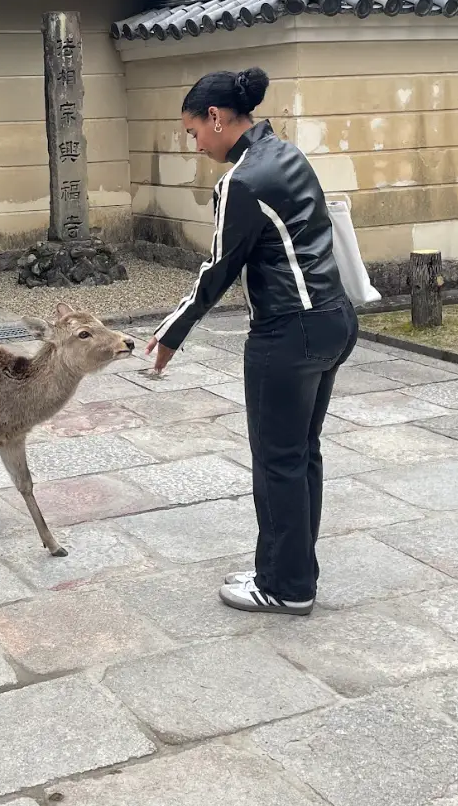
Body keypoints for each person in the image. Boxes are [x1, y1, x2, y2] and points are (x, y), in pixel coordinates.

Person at [145, 66, 356, 616]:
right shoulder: (286, 154)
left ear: (215, 118)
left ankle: (285, 587)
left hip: (287, 333)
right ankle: (292, 572)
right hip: (333, 318)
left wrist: (171, 333)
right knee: (301, 455)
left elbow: (218, 269)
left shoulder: (241, 180)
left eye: (194, 132)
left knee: (277, 462)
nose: (196, 144)